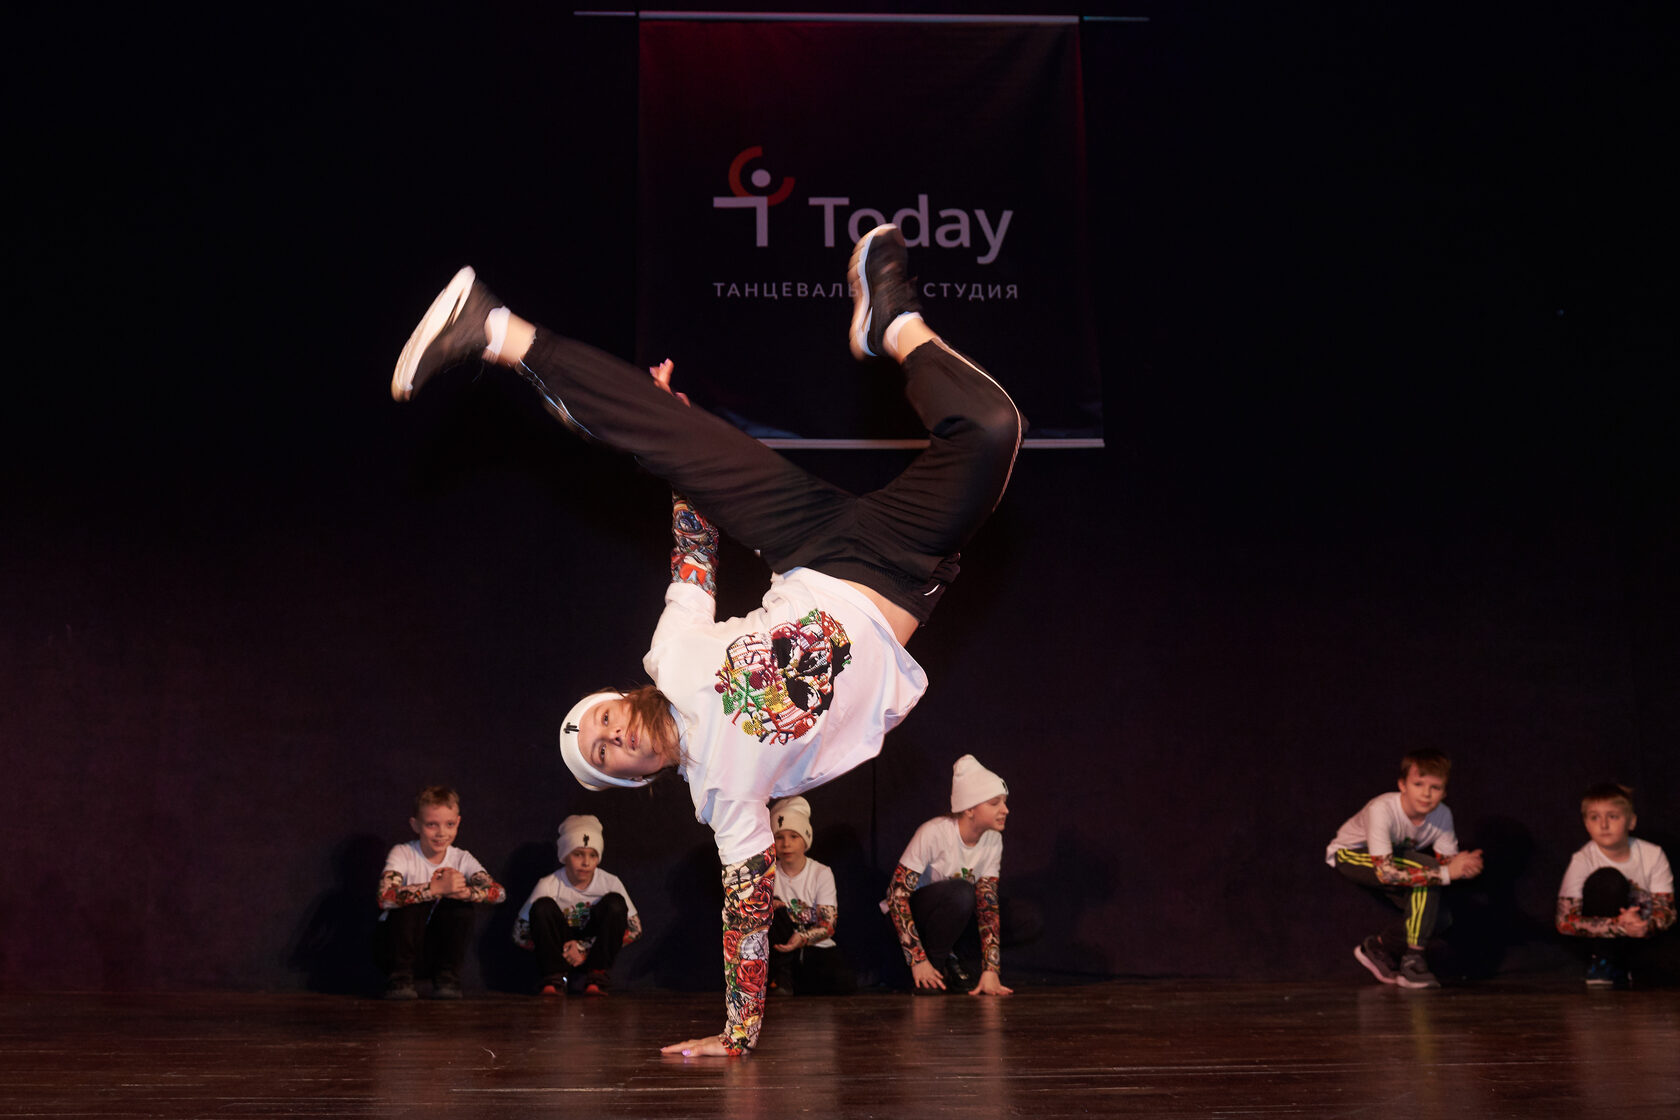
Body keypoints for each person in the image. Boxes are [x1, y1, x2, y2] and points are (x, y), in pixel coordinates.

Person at [391, 225, 1023, 1054]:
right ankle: (893, 324)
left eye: (603, 720)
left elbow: (694, 545)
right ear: (639, 777)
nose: (612, 734)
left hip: (811, 549)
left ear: (622, 697)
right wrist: (738, 1032)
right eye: (606, 754)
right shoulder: (724, 799)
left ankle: (495, 330)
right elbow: (749, 911)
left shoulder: (670, 654)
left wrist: (672, 424)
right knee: (991, 427)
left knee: (673, 449)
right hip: (901, 574)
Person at [1326, 750, 1483, 989]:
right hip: (1353, 855)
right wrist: (1446, 873)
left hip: (1397, 861)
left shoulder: (1442, 815)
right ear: (1402, 785)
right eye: (1418, 784)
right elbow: (1386, 873)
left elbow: (1445, 865)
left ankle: (1378, 946)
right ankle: (1414, 960)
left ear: (1444, 792)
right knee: (1429, 870)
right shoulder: (1382, 809)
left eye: (1435, 787)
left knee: (1440, 919)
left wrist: (1465, 867)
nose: (1426, 793)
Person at [882, 755, 1015, 995]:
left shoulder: (994, 839)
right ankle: (932, 969)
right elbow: (896, 896)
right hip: (911, 920)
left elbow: (987, 903)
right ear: (970, 809)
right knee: (962, 891)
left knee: (1024, 917)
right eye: (995, 803)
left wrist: (991, 969)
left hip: (950, 921)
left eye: (1004, 802)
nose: (1005, 810)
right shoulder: (934, 833)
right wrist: (918, 960)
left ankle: (956, 962)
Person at [375, 785, 506, 1000]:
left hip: (433, 951)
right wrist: (434, 889)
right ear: (416, 825)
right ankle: (400, 977)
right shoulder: (403, 853)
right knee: (411, 902)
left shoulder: (461, 858)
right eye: (431, 825)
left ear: (458, 823)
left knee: (459, 906)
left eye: (449, 824)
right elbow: (384, 897)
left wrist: (465, 893)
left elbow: (498, 893)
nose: (441, 833)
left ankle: (446, 976)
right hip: (396, 950)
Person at [1555, 783, 1675, 988]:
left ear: (1631, 821)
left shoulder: (1653, 854)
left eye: (1612, 816)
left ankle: (1629, 968)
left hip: (1642, 937)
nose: (1603, 825)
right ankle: (1604, 962)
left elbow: (1667, 912)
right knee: (1607, 879)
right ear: (1586, 824)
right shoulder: (1583, 859)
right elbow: (1565, 921)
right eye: (1595, 817)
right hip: (1603, 941)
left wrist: (1644, 927)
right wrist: (1619, 926)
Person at [513, 814, 643, 995]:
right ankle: (554, 977)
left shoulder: (609, 882)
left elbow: (635, 930)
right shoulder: (549, 884)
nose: (586, 862)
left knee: (615, 904)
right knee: (542, 907)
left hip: (594, 944)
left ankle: (596, 976)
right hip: (559, 945)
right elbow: (519, 934)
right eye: (578, 854)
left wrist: (585, 947)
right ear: (565, 855)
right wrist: (562, 949)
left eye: (592, 855)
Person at [765, 796, 854, 996]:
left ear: (805, 838)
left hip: (811, 945)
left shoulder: (821, 872)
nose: (786, 844)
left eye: (793, 836)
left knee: (841, 981)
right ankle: (782, 976)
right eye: (779, 837)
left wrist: (803, 937)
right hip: (779, 946)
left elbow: (828, 925)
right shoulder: (768, 873)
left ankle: (793, 980)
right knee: (773, 911)